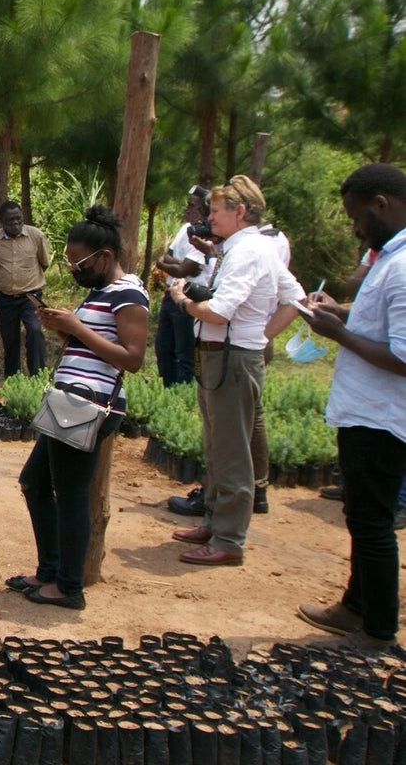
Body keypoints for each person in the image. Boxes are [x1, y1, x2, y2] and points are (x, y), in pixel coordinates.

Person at [6, 207, 149, 610]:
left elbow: (132, 357)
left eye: (79, 263)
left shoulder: (129, 293)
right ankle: (49, 570)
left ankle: (69, 587)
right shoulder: (101, 293)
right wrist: (63, 328)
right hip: (67, 402)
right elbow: (92, 344)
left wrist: (76, 327)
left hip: (88, 407)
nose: (75, 270)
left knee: (70, 495)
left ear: (104, 257)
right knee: (35, 484)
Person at [295, 164, 406, 653]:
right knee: (363, 517)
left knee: (373, 524)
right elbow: (379, 323)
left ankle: (377, 632)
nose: (355, 228)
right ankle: (354, 606)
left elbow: (403, 356)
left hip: (382, 418)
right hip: (365, 412)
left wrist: (337, 333)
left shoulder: (403, 267)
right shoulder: (388, 258)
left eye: (356, 217)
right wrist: (339, 313)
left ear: (380, 203)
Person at [166, 176, 304, 567]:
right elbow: (295, 298)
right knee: (217, 443)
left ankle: (228, 539)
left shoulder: (248, 251)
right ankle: (215, 520)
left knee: (231, 451)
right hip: (224, 354)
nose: (209, 217)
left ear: (239, 211)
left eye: (215, 210)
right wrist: (260, 337)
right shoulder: (246, 247)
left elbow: (219, 311)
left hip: (230, 356)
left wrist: (181, 300)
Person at [0, 201, 51, 377]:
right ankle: (13, 381)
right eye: (10, 220)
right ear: (1, 221)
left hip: (31, 297)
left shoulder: (36, 236)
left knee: (35, 332)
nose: (15, 223)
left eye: (18, 218)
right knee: (10, 341)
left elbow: (44, 263)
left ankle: (38, 378)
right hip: (6, 297)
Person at [154, 186, 210, 387]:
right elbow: (166, 257)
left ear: (203, 208)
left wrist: (174, 265)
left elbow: (180, 269)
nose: (187, 209)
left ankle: (184, 390)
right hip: (171, 295)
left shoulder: (206, 235)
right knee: (163, 347)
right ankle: (168, 388)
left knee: (185, 350)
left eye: (192, 205)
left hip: (189, 296)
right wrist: (177, 264)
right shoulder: (184, 229)